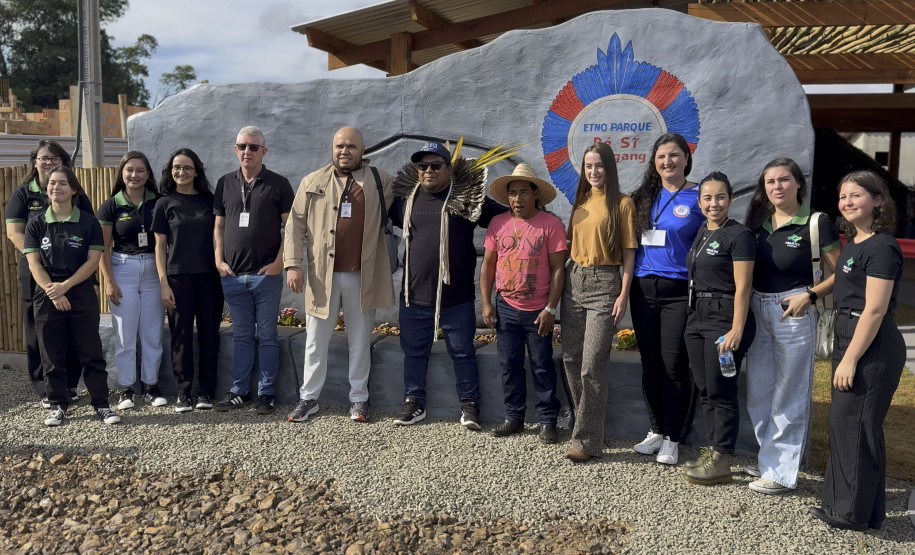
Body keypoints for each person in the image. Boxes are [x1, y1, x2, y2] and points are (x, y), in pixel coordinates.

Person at [810, 171, 905, 531]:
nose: (847, 202)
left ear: (878, 200)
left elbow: (876, 309)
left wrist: (850, 358)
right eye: (843, 196)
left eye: (856, 196)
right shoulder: (855, 242)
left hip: (871, 341)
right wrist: (812, 294)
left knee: (858, 424)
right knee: (845, 423)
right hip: (849, 330)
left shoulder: (883, 246)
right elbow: (844, 278)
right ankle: (852, 507)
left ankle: (852, 513)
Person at [390, 141, 507, 429]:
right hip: (413, 296)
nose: (428, 170)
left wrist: (537, 212)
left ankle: (469, 405)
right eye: (423, 166)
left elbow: (505, 215)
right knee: (413, 352)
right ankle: (413, 402)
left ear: (448, 169)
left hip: (456, 297)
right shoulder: (405, 201)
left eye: (435, 165)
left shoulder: (466, 199)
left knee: (463, 352)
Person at [284, 127, 395, 423]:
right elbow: (294, 226)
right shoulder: (313, 181)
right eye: (339, 146)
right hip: (323, 275)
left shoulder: (380, 180)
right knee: (315, 340)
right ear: (332, 148)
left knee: (359, 340)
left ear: (363, 149)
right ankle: (309, 398)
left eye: (351, 146)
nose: (344, 151)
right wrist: (293, 264)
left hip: (363, 274)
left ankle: (359, 400)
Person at [743, 159, 841, 495]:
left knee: (790, 392)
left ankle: (781, 474)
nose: (777, 187)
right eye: (770, 181)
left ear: (799, 184)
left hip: (794, 312)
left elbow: (842, 272)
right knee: (759, 392)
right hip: (758, 307)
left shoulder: (817, 223)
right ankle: (769, 459)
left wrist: (810, 296)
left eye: (784, 180)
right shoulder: (758, 222)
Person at [629, 133, 705, 466]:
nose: (667, 162)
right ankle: (656, 429)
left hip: (678, 291)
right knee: (649, 363)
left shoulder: (699, 195)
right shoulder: (644, 196)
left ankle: (674, 438)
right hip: (643, 288)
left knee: (674, 365)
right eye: (661, 157)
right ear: (654, 162)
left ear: (686, 159)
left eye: (674, 156)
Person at [23, 166, 120, 426]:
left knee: (90, 352)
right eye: (52, 183)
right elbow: (34, 264)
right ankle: (57, 404)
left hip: (80, 293)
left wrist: (65, 287)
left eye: (63, 183)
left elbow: (93, 261)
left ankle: (101, 404)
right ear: (46, 188)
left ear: (74, 189)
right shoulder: (36, 224)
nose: (57, 187)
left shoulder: (88, 222)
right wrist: (54, 292)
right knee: (51, 354)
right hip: (47, 295)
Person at [480, 163, 567, 444]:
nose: (517, 199)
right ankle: (514, 418)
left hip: (539, 310)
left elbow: (558, 269)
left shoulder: (551, 225)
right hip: (505, 306)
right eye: (512, 194)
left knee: (542, 365)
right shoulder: (498, 224)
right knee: (509, 365)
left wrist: (551, 308)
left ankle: (547, 421)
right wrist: (485, 303)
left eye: (523, 193)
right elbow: (488, 266)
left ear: (535, 195)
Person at [561, 142, 637, 462]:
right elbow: (567, 247)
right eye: (589, 166)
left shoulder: (623, 203)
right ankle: (584, 423)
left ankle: (587, 440)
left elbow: (630, 252)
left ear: (610, 167)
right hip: (573, 279)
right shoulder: (579, 202)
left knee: (592, 364)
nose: (594, 172)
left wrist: (623, 292)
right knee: (571, 359)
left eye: (599, 165)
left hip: (605, 282)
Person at [213, 126, 294, 414]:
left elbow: (293, 228)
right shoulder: (224, 183)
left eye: (253, 147)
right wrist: (219, 261)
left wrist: (279, 263)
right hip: (233, 277)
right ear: (235, 149)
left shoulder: (278, 184)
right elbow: (219, 226)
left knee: (269, 335)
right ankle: (239, 391)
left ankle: (266, 393)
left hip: (265, 277)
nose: (247, 151)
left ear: (264, 151)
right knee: (242, 335)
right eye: (242, 146)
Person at [681, 172, 755, 485]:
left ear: (731, 199)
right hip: (698, 315)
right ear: (699, 202)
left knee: (721, 390)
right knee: (705, 388)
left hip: (724, 317)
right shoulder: (702, 230)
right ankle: (713, 450)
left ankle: (723, 458)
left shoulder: (739, 235)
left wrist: (736, 328)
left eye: (720, 197)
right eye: (708, 198)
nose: (714, 204)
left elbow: (744, 287)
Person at [5, 140, 91, 407]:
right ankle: (45, 388)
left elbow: (89, 232)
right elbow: (13, 232)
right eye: (44, 158)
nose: (50, 162)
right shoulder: (23, 194)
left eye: (56, 158)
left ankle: (69, 384)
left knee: (72, 326)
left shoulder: (76, 193)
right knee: (38, 328)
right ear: (34, 161)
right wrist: (39, 260)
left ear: (64, 162)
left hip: (71, 272)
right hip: (35, 271)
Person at [152, 148, 224, 412]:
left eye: (187, 167)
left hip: (209, 277)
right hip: (178, 278)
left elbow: (220, 236)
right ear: (171, 172)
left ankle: (206, 391)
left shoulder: (210, 201)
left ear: (197, 171)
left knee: (209, 335)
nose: (181, 172)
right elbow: (159, 247)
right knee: (180, 336)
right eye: (176, 168)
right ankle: (184, 393)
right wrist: (163, 282)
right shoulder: (164, 203)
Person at [97, 151, 166, 410]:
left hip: (152, 269)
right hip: (122, 268)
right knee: (125, 335)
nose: (134, 175)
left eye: (140, 170)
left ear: (148, 174)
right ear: (122, 174)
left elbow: (163, 243)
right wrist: (109, 281)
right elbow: (102, 247)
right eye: (129, 170)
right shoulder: (110, 205)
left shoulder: (158, 202)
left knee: (152, 332)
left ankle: (151, 385)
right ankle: (126, 388)